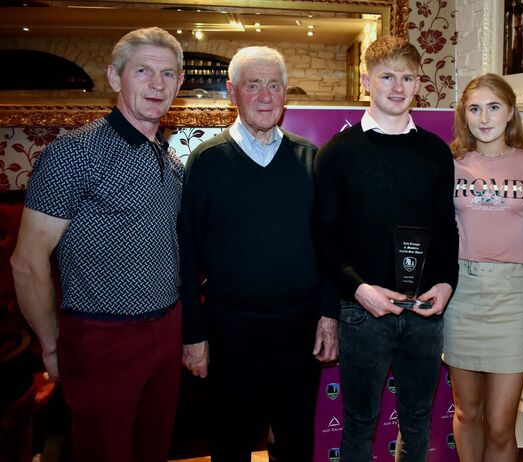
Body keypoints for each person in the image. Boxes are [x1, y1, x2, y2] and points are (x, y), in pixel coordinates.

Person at [10, 27, 184, 462]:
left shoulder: (170, 157)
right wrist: (51, 345)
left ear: (179, 83)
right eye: (143, 71)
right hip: (100, 336)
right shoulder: (73, 153)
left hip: (166, 332)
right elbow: (28, 261)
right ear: (114, 77)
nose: (157, 84)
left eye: (167, 74)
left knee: (154, 449)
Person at [179, 46, 339, 462]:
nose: (265, 95)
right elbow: (187, 253)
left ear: (286, 94)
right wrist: (193, 335)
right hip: (230, 330)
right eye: (253, 85)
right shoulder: (206, 161)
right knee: (230, 442)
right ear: (233, 92)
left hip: (298, 328)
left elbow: (329, 246)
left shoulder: (310, 159)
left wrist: (328, 313)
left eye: (274, 85)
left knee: (295, 442)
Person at [314, 36, 459, 461]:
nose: (398, 87)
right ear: (366, 81)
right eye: (387, 76)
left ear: (419, 84)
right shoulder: (338, 153)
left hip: (424, 311)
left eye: (408, 77)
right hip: (362, 311)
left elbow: (446, 228)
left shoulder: (435, 152)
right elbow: (324, 238)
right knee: (358, 422)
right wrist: (358, 290)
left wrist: (447, 283)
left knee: (417, 421)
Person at [444, 73, 523, 462]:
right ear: (465, 116)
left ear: (510, 113)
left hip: (511, 296)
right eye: (474, 108)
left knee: (502, 423)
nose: (484, 117)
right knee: (467, 412)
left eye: (493, 107)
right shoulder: (451, 165)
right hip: (462, 296)